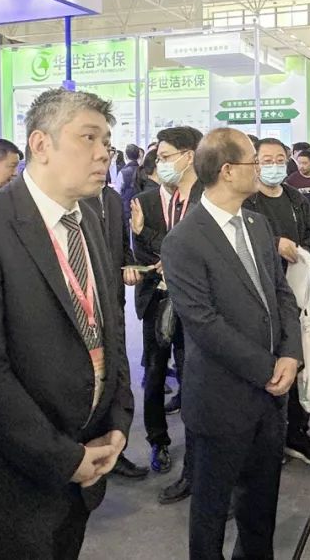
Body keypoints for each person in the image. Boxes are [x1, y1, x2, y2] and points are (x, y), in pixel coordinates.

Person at [0, 88, 133, 560]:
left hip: (87, 458)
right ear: (41, 144)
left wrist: (118, 421)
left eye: (107, 141)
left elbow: (108, 329)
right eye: (88, 137)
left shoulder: (90, 219)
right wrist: (63, 458)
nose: (103, 153)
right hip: (12, 477)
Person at [162, 128, 303, 560]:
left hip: (271, 396)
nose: (261, 169)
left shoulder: (258, 225)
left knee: (261, 506)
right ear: (227, 170)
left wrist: (291, 354)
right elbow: (204, 324)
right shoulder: (184, 239)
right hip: (221, 397)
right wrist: (267, 368)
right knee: (211, 509)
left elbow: (281, 295)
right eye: (253, 161)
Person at [131, 126, 204, 504]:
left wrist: (163, 248)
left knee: (192, 376)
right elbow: (141, 252)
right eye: (158, 158)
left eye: (165, 156)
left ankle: (195, 460)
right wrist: (158, 250)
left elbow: (191, 250)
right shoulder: (144, 201)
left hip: (192, 303)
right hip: (156, 300)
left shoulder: (203, 199)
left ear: (189, 156)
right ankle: (157, 440)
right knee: (155, 374)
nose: (160, 164)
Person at [245, 138, 310, 467]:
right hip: (262, 299)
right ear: (254, 163)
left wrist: (301, 250)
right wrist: (274, 242)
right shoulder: (247, 201)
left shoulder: (295, 198)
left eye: (280, 159)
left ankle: (297, 434)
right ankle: (269, 439)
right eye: (266, 160)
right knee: (269, 368)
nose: (274, 166)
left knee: (301, 364)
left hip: (300, 296)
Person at [80, 182, 149, 481]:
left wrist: (130, 264)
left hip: (114, 303)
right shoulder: (74, 198)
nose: (101, 161)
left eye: (106, 158)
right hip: (85, 304)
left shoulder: (111, 197)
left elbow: (121, 244)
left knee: (117, 374)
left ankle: (114, 450)